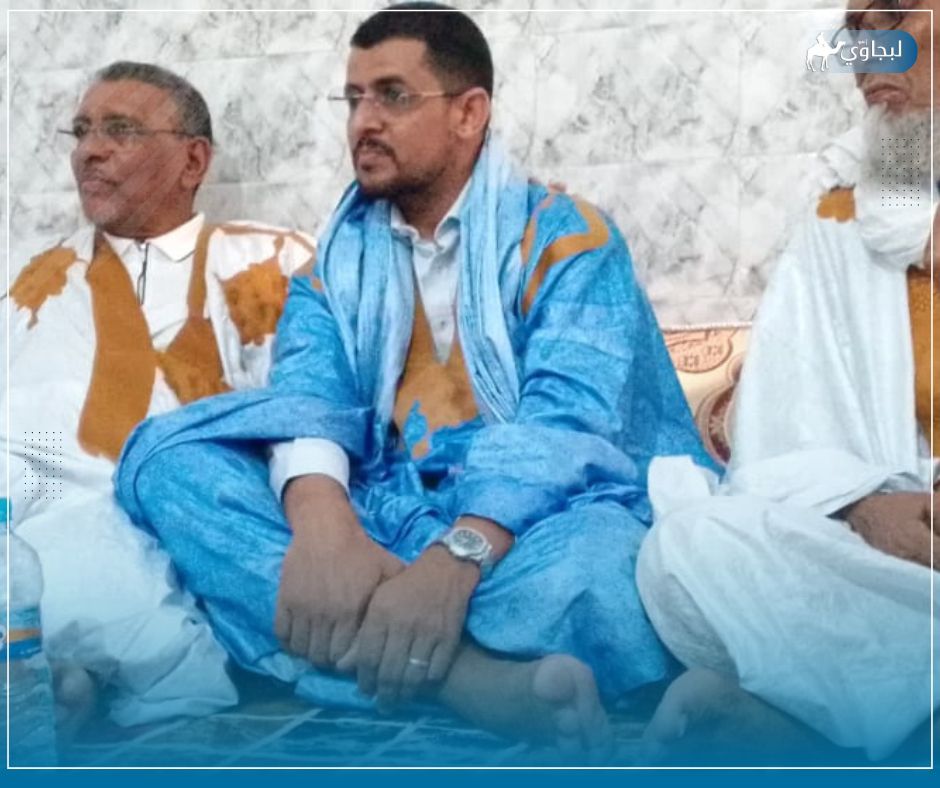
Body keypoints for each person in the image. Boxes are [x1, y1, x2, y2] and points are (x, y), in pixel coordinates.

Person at [113, 4, 714, 759]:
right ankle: (464, 676)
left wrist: (453, 564)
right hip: (387, 515)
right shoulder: (338, 261)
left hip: (531, 528)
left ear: (469, 113)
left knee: (606, 566)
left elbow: (565, 429)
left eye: (392, 96)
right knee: (170, 464)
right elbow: (308, 402)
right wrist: (326, 533)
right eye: (353, 99)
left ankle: (379, 650)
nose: (363, 121)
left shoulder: (569, 240)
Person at [636, 0, 937, 765]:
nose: (869, 52)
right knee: (689, 548)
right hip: (904, 562)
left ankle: (843, 723)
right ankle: (899, 715)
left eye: (895, 17)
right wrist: (864, 503)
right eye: (856, 31)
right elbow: (779, 440)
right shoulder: (839, 225)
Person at [4, 61, 316, 729]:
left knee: (97, 565)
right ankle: (58, 676)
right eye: (82, 131)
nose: (89, 151)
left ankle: (68, 678)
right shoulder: (29, 278)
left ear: (192, 161)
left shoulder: (268, 263)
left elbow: (312, 411)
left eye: (119, 130)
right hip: (33, 496)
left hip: (174, 506)